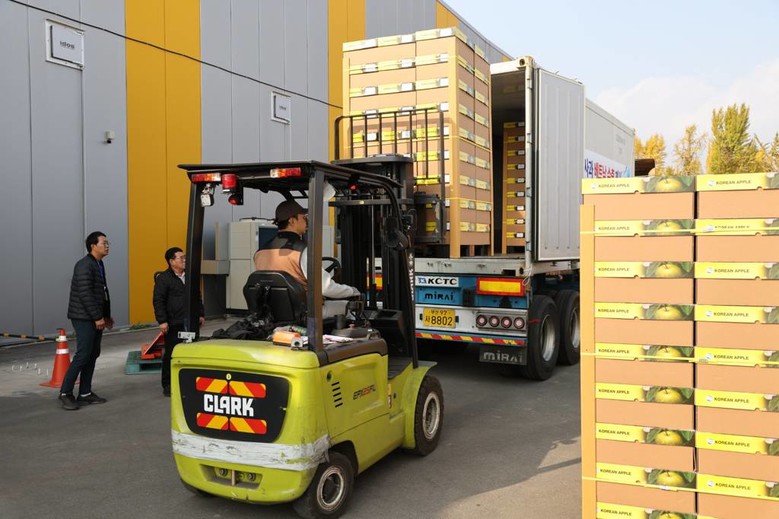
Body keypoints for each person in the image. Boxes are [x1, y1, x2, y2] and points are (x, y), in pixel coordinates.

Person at [253, 200, 359, 317]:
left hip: (273, 312)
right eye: (303, 218)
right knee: (351, 308)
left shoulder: (260, 252)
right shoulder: (301, 250)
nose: (306, 221)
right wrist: (352, 291)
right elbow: (325, 287)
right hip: (304, 312)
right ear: (292, 221)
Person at [59, 231, 114, 410]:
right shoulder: (84, 265)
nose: (107, 246)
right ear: (93, 246)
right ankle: (65, 393)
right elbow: (85, 294)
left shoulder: (98, 264)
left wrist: (106, 316)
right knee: (83, 354)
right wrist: (97, 317)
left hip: (94, 316)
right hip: (83, 317)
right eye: (104, 243)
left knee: (92, 353)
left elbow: (102, 293)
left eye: (108, 243)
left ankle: (85, 393)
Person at [153, 247, 205, 397]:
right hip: (174, 323)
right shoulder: (164, 278)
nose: (184, 260)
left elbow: (197, 296)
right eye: (181, 258)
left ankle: (189, 382)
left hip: (191, 321)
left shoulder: (190, 276)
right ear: (171, 261)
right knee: (171, 353)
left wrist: (200, 314)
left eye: (185, 257)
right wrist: (162, 321)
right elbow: (158, 301)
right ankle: (168, 384)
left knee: (191, 351)